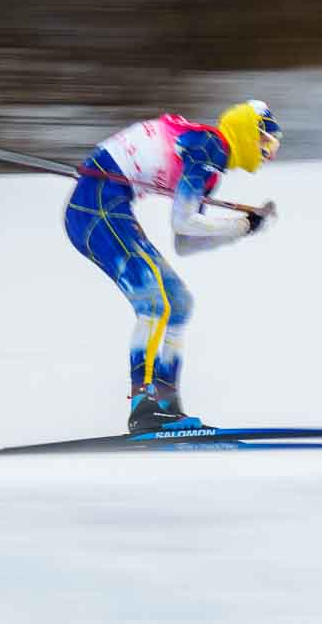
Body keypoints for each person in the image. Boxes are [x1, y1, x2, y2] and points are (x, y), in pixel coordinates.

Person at [64, 99, 283, 434]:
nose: (269, 152)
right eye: (265, 141)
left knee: (179, 304)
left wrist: (241, 228)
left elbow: (186, 242)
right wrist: (240, 226)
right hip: (94, 207)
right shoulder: (211, 147)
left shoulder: (209, 161)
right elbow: (184, 223)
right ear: (246, 133)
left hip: (107, 205)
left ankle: (166, 406)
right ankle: (145, 408)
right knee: (154, 304)